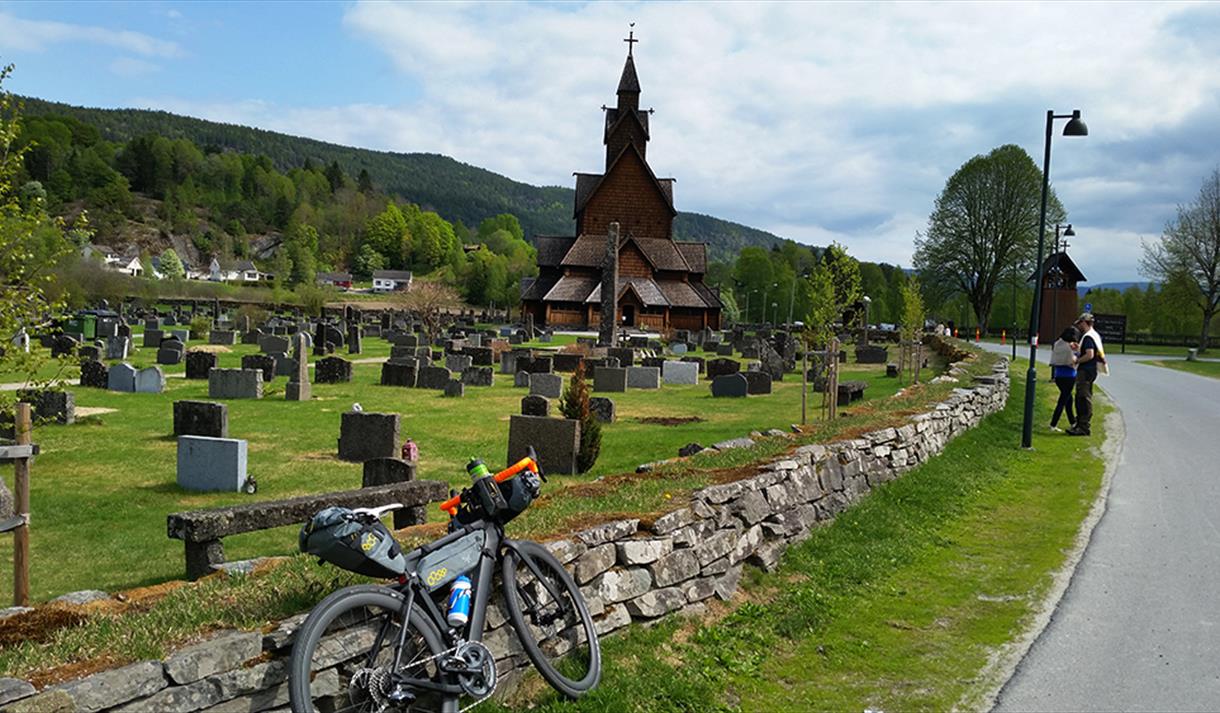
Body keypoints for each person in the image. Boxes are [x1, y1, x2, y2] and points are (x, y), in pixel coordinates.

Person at [1067, 313, 1105, 436]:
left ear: (1084, 322)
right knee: (1083, 396)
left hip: (1085, 370)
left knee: (1083, 398)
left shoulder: (1088, 337)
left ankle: (1083, 426)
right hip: (1090, 370)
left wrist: (1077, 360)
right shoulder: (1094, 335)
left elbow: (1089, 354)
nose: (1079, 326)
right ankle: (1080, 424)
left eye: (1080, 323)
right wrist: (1078, 347)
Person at [1048, 326, 1079, 431]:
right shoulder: (1068, 347)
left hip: (1058, 376)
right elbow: (1072, 361)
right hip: (1069, 376)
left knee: (1068, 400)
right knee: (1063, 401)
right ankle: (1053, 424)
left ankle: (1073, 422)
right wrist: (1077, 354)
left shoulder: (1057, 344)